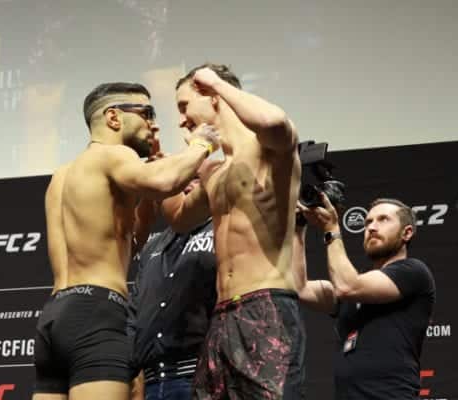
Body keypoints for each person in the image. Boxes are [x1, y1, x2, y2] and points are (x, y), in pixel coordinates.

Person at [32, 81, 220, 400]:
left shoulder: (62, 176)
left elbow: (130, 240)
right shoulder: (113, 155)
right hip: (96, 314)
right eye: (146, 113)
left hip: (56, 316)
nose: (154, 123)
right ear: (114, 118)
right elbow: (165, 181)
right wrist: (202, 145)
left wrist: (145, 189)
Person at [163, 63, 305, 399]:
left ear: (211, 96)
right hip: (222, 316)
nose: (181, 119)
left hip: (265, 306)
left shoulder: (268, 148)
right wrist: (165, 159)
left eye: (184, 106)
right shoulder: (213, 169)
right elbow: (179, 218)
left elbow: (273, 121)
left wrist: (214, 81)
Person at [294, 196, 436, 399]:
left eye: (383, 219)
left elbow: (347, 286)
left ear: (407, 233)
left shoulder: (413, 272)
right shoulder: (356, 289)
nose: (372, 227)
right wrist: (299, 228)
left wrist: (331, 229)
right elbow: (300, 288)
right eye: (368, 222)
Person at [128, 179, 217, 400]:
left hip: (200, 379)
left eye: (196, 178)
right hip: (151, 383)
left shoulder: (222, 230)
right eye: (181, 181)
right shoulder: (151, 247)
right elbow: (135, 312)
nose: (187, 186)